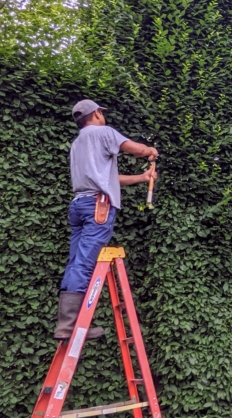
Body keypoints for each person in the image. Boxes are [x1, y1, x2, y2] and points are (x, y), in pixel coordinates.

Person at [54, 99, 158, 340]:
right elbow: (137, 149)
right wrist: (150, 151)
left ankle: (65, 323)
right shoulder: (104, 132)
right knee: (85, 263)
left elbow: (107, 177)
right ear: (97, 113)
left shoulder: (78, 143)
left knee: (75, 262)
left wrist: (142, 177)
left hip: (79, 205)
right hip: (97, 207)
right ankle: (71, 326)